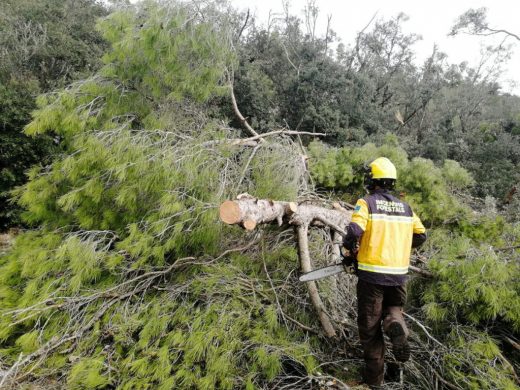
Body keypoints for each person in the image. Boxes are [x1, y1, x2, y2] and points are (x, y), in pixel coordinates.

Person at [341, 157, 427, 389]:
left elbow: (353, 232)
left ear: (372, 180)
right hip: (398, 275)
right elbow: (421, 235)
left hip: (372, 277)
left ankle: (374, 382)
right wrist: (396, 246)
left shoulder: (366, 203)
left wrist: (349, 253)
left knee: (370, 330)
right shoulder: (406, 207)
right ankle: (395, 326)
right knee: (393, 311)